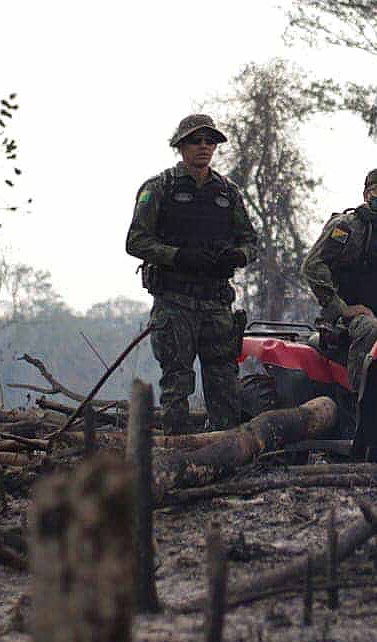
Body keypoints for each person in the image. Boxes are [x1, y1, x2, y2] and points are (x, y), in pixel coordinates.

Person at [126, 114, 259, 435]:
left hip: (216, 304)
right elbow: (136, 241)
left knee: (224, 382)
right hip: (175, 302)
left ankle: (224, 458)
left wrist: (236, 255)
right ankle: (176, 453)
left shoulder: (228, 193)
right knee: (177, 383)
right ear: (181, 145)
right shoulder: (160, 188)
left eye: (209, 141)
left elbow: (251, 242)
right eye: (196, 141)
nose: (203, 147)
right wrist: (179, 256)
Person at [301, 168, 377, 391]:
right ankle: (360, 398)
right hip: (346, 318)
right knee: (371, 329)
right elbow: (313, 266)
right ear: (368, 194)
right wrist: (343, 308)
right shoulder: (347, 226)